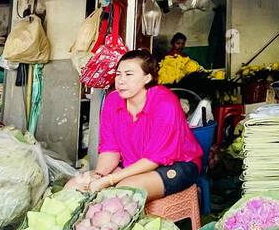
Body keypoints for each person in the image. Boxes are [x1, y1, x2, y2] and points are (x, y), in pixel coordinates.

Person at [69, 50, 201, 201]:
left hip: (177, 164)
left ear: (147, 78)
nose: (121, 80)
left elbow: (154, 159)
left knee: (122, 192)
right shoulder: (113, 101)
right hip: (134, 164)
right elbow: (110, 149)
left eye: (129, 74)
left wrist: (110, 180)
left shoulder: (165, 103)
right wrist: (98, 176)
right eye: (118, 74)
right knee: (74, 186)